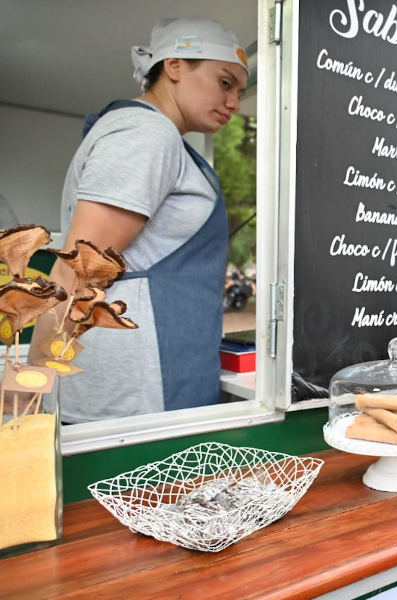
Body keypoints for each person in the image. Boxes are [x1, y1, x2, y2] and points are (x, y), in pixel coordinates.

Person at [32, 18, 249, 422]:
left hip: (149, 381)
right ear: (175, 66)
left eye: (240, 90)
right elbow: (75, 273)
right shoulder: (145, 134)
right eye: (224, 82)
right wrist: (31, 390)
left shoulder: (159, 137)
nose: (235, 101)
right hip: (133, 391)